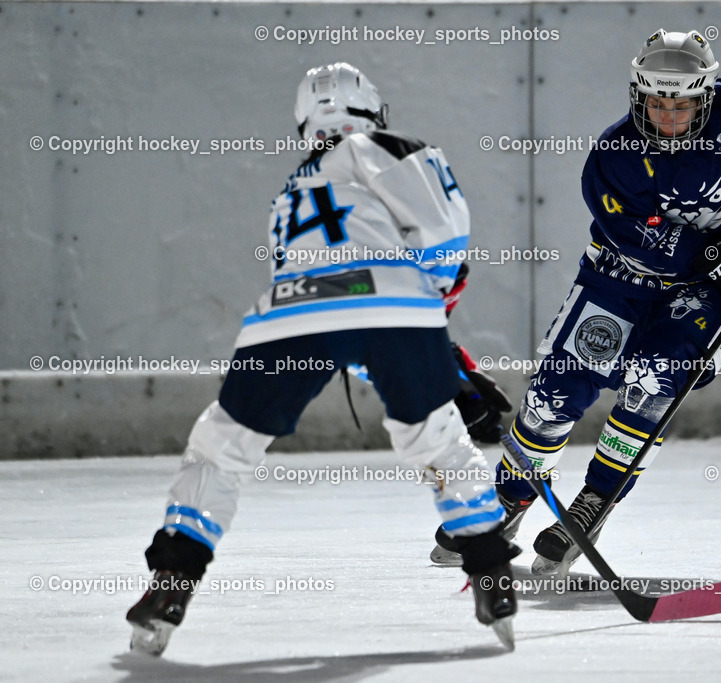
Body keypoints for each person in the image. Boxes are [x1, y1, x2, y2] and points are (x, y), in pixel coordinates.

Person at [431, 29, 721, 574]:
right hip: (621, 276)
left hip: (714, 287)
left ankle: (595, 501)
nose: (668, 115)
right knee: (555, 392)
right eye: (655, 101)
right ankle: (510, 497)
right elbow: (645, 243)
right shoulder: (614, 158)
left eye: (681, 102)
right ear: (638, 94)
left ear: (706, 94)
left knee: (654, 383)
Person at [127, 62, 520, 655]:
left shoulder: (288, 193)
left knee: (222, 445)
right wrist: (433, 347)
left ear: (305, 125)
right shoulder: (392, 147)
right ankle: (492, 578)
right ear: (374, 111)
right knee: (437, 439)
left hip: (287, 314)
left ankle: (170, 585)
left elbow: (332, 319)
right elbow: (444, 236)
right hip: (394, 308)